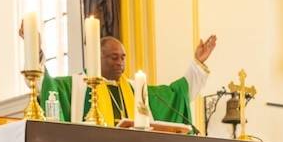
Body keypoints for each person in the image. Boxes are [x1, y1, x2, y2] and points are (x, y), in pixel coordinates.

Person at [40, 33, 217, 127]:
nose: (120, 62)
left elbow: (176, 95)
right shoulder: (77, 86)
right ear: (97, 58)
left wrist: (197, 63)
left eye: (123, 57)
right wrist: (37, 57)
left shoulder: (136, 89)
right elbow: (49, 87)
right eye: (114, 57)